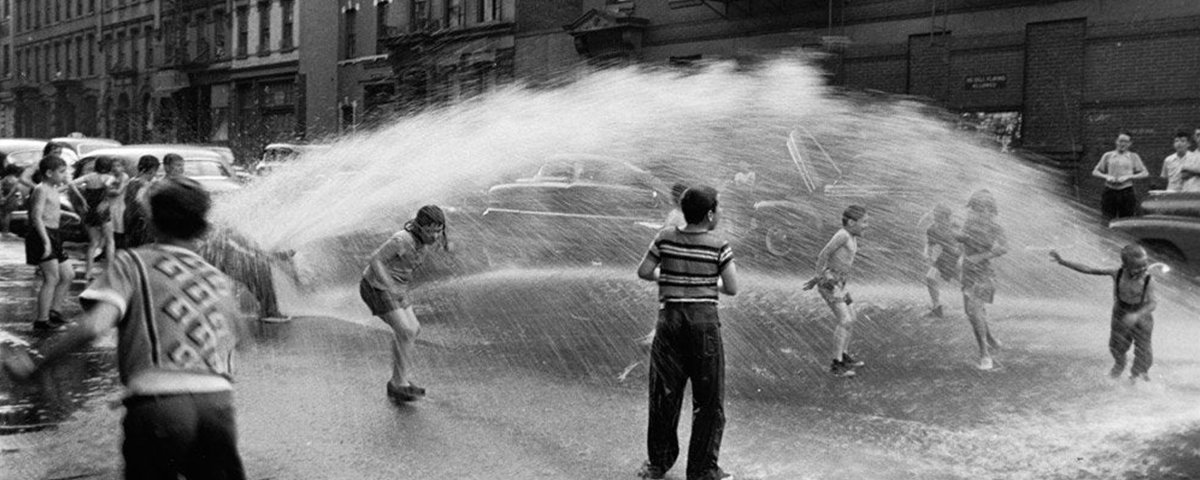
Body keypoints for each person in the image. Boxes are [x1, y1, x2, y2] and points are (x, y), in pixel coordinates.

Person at [2, 176, 250, 478]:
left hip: (158, 406)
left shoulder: (133, 263)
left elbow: (95, 326)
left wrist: (37, 364)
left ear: (150, 219)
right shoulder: (215, 277)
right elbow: (240, 337)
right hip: (218, 405)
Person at [636, 185, 737, 480]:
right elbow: (731, 287)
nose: (720, 213)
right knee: (708, 401)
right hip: (703, 326)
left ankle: (657, 464)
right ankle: (703, 470)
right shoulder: (719, 244)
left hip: (668, 324)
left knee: (663, 396)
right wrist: (705, 284)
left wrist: (668, 277)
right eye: (718, 208)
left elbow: (644, 271)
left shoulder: (665, 237)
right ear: (709, 214)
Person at [359, 205, 447, 403]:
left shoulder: (425, 239)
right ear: (418, 227)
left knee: (413, 329)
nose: (434, 236)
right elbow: (375, 260)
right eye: (430, 231)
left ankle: (400, 380)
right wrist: (390, 285)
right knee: (405, 331)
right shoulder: (402, 240)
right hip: (376, 287)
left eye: (438, 231)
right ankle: (398, 384)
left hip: (397, 288)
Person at [1050, 245, 1157, 381]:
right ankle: (1119, 365)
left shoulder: (1148, 280)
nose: (1142, 270)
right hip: (1120, 313)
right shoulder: (1116, 273)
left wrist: (1137, 315)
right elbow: (1089, 269)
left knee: (1144, 353)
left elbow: (1153, 303)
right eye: (1137, 268)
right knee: (1116, 347)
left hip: (1142, 316)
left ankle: (1137, 376)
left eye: (1144, 266)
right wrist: (1063, 261)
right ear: (1125, 266)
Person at [803, 205, 869, 378]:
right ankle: (836, 364)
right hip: (830, 283)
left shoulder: (851, 236)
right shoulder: (842, 235)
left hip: (840, 284)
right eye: (864, 222)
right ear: (852, 222)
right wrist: (818, 277)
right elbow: (823, 254)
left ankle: (844, 355)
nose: (866, 225)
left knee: (852, 317)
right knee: (845, 320)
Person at [24, 156, 80, 331]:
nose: (65, 175)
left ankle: (55, 311)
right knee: (52, 277)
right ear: (49, 173)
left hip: (54, 235)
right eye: (62, 172)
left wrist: (70, 215)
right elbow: (36, 217)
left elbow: (53, 209)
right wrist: (46, 242)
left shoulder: (52, 188)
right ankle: (41, 320)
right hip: (42, 235)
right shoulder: (41, 189)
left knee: (68, 274)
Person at [957, 190, 1007, 371]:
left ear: (991, 210)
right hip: (967, 272)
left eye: (985, 209)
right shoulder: (968, 224)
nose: (980, 212)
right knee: (971, 313)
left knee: (974, 309)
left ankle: (985, 354)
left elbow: (1004, 248)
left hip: (985, 273)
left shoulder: (996, 227)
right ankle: (991, 339)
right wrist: (958, 237)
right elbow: (959, 239)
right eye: (976, 208)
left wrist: (982, 256)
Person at [73, 156, 120, 281]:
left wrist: (82, 199)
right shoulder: (110, 177)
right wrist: (105, 199)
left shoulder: (89, 177)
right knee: (110, 241)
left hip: (90, 211)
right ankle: (109, 271)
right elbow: (106, 184)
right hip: (103, 212)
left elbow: (72, 183)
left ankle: (88, 273)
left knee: (93, 243)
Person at [1092, 132, 1148, 221]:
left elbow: (1145, 173)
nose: (1122, 144)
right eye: (1120, 141)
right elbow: (1095, 171)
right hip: (1109, 191)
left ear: (1130, 144)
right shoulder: (1108, 155)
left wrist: (1129, 177)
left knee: (1126, 220)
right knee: (1107, 219)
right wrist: (1106, 176)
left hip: (1126, 191)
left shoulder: (1133, 157)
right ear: (1116, 141)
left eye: (1126, 141)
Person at [922, 203, 961, 317]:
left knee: (965, 283)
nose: (934, 218)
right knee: (930, 277)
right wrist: (927, 255)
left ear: (946, 217)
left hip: (956, 258)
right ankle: (937, 307)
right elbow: (929, 244)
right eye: (935, 215)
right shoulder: (932, 229)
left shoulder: (955, 227)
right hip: (944, 257)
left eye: (937, 216)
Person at [123, 155, 160, 248]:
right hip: (142, 222)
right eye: (155, 171)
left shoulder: (131, 182)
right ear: (152, 170)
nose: (155, 174)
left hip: (130, 219)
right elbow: (139, 200)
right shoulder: (145, 185)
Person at [109, 157, 131, 248]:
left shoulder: (124, 177)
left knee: (119, 229)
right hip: (110, 205)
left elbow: (118, 192)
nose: (115, 168)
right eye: (113, 166)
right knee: (110, 230)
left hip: (119, 206)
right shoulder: (110, 176)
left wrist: (109, 191)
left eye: (118, 166)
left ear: (123, 167)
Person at [0, 163, 25, 237]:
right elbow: (15, 190)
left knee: (3, 214)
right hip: (11, 199)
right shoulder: (15, 180)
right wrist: (7, 197)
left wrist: (2, 197)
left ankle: (3, 230)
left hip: (4, 198)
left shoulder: (4, 179)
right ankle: (6, 231)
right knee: (8, 215)